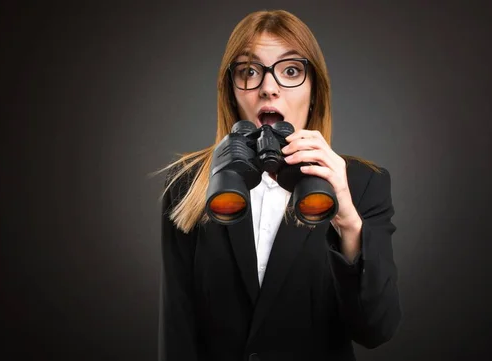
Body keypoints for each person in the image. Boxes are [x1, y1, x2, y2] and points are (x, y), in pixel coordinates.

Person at [158, 9, 401, 361]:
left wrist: (347, 220)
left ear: (315, 90)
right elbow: (177, 330)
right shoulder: (187, 184)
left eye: (290, 71)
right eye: (249, 71)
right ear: (231, 92)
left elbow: (376, 329)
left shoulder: (363, 184)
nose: (268, 88)